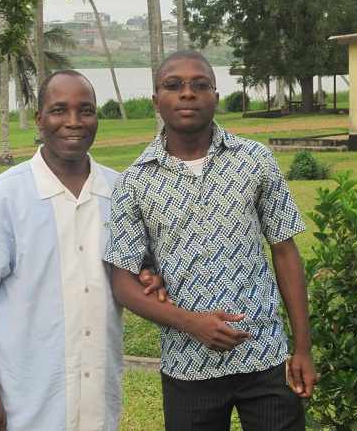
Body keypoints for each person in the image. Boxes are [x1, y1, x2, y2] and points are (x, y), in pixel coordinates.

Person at [103, 51, 318, 431]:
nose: (187, 93)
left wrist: (302, 347)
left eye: (200, 85)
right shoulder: (134, 182)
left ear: (215, 97)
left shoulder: (254, 160)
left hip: (264, 357)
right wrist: (191, 323)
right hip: (188, 366)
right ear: (156, 100)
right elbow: (122, 283)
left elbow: (285, 252)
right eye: (174, 85)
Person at [0, 70, 164, 431]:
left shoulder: (121, 192)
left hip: (98, 398)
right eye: (59, 110)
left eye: (86, 110)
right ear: (39, 119)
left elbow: (141, 269)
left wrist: (151, 276)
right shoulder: (2, 198)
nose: (73, 122)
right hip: (27, 404)